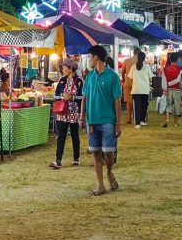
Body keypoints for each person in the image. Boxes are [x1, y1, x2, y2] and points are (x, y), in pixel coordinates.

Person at [81, 45, 122, 196]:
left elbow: (117, 101)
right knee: (96, 153)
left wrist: (118, 124)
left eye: (90, 57)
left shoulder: (112, 76)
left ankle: (109, 172)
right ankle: (100, 185)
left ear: (96, 57)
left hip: (107, 120)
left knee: (109, 153)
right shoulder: (89, 76)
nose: (89, 60)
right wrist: (82, 116)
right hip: (92, 121)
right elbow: (84, 97)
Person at [49, 58, 83, 169]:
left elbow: (83, 96)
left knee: (74, 135)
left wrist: (72, 97)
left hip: (74, 112)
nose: (62, 69)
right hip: (62, 112)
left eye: (64, 67)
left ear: (71, 68)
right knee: (61, 136)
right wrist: (62, 97)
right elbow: (56, 95)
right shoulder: (62, 80)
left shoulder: (79, 81)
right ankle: (58, 160)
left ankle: (76, 159)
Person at [127, 48, 152, 128]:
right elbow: (151, 77)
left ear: (137, 58)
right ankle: (142, 121)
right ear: (144, 58)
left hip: (136, 89)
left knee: (137, 106)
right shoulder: (147, 67)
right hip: (145, 89)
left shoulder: (133, 67)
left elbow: (130, 77)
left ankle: (137, 123)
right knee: (144, 106)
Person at [162, 52, 182, 128]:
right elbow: (179, 80)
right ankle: (175, 122)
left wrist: (165, 89)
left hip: (168, 90)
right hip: (177, 89)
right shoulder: (180, 69)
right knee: (177, 105)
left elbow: (163, 81)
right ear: (177, 59)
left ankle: (167, 119)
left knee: (168, 104)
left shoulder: (165, 69)